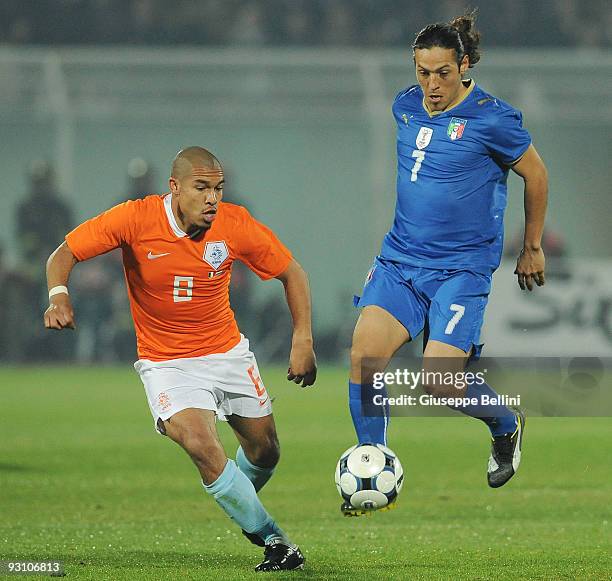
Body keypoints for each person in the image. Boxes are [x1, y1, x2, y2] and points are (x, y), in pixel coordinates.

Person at [43, 146, 316, 571]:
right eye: (202, 187)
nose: (212, 198)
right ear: (174, 188)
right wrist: (59, 297)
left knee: (265, 451)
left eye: (218, 188)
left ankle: (238, 500)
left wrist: (303, 339)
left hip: (226, 353)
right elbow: (64, 253)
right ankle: (274, 541)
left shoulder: (234, 224)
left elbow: (291, 272)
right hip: (166, 363)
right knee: (201, 444)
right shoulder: (135, 218)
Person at [345, 12, 548, 515]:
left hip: (461, 270)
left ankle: (505, 423)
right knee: (364, 356)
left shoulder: (494, 117)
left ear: (464, 64)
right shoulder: (405, 106)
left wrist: (532, 245)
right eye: (422, 72)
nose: (431, 85)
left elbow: (537, 176)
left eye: (442, 73)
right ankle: (373, 460)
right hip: (400, 262)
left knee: (438, 381)